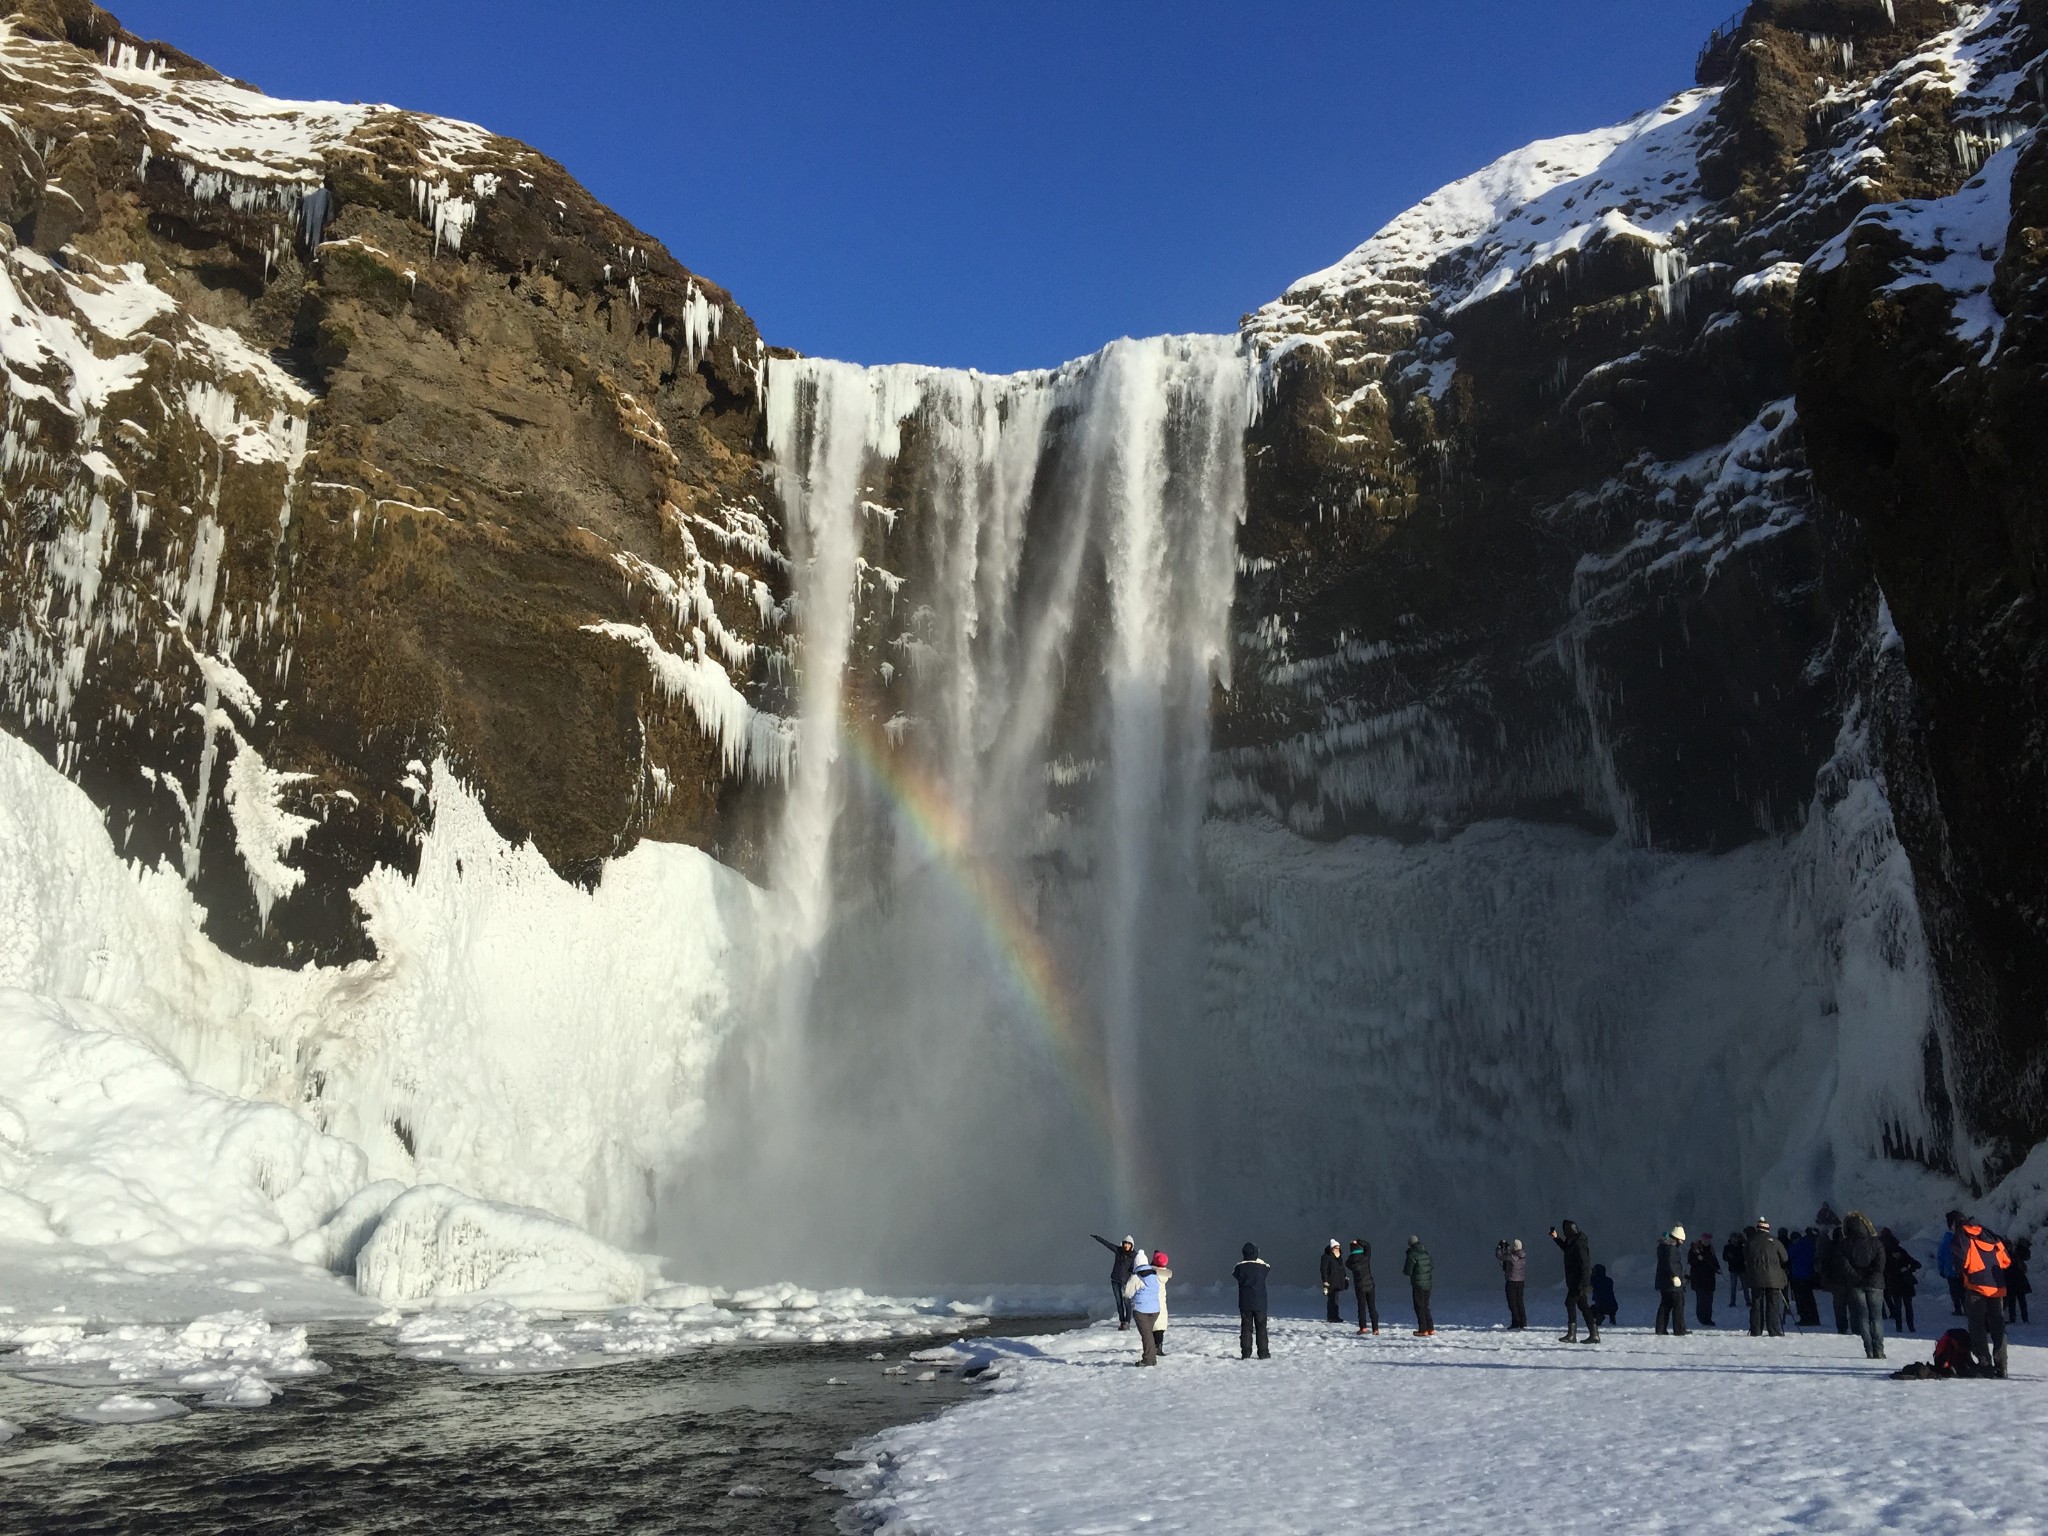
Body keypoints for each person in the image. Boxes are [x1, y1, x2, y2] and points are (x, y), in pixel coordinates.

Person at [1956, 1217, 2011, 1378]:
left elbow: (1961, 1260)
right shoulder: (1991, 1236)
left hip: (1976, 1286)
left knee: (1977, 1325)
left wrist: (1966, 1273)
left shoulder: (1963, 1235)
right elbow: (2006, 1261)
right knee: (1998, 1327)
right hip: (1997, 1287)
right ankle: (2002, 1366)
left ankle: (1984, 1363)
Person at [1838, 1211, 1886, 1360]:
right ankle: (1879, 1350)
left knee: (1863, 1317)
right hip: (1875, 1284)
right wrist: (1871, 1277)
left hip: (1856, 1284)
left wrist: (1857, 1277)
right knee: (1876, 1317)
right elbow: (1880, 1265)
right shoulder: (1876, 1242)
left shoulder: (1844, 1244)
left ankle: (1869, 1350)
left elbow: (1844, 1265)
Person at [1551, 1221, 1600, 1342]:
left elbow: (1585, 1264)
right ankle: (1594, 1335)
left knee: (1570, 1303)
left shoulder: (1579, 1243)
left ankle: (1572, 1335)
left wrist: (1585, 1284)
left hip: (1578, 1282)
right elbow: (1567, 1250)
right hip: (1574, 1281)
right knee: (1583, 1306)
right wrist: (1557, 1238)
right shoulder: (1573, 1241)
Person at [1745, 1217, 1789, 1337]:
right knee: (1773, 1304)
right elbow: (1785, 1258)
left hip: (1756, 1277)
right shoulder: (1775, 1241)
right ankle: (1773, 1330)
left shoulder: (1750, 1241)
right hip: (1774, 1278)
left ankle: (1756, 1329)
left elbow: (1746, 1258)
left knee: (1756, 1303)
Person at [1123, 1250, 1166, 1367]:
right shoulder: (1154, 1275)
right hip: (1155, 1310)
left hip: (1141, 1311)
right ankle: (1151, 1358)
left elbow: (1128, 1293)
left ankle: (1148, 1359)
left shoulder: (1136, 1277)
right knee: (1148, 1334)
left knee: (1146, 1335)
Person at [1816, 1208, 1851, 1335]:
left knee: (1839, 1306)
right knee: (1853, 1305)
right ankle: (1856, 1326)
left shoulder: (1830, 1248)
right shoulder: (1850, 1246)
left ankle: (1842, 1328)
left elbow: (1825, 1262)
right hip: (1851, 1279)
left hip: (1837, 1281)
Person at [1092, 1234, 1138, 1330]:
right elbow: (1107, 1244)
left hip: (1126, 1282)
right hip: (1115, 1280)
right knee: (1119, 1302)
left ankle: (1127, 1322)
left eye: (1129, 1244)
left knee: (1127, 1302)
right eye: (1125, 1243)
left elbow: (1139, 1266)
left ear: (1132, 1245)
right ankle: (1122, 1322)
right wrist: (1098, 1238)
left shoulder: (1134, 1255)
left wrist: (1132, 1272)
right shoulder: (1119, 1251)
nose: (1127, 1246)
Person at [1881, 1227, 1922, 1334]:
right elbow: (1916, 1264)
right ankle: (1911, 1327)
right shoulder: (1901, 1250)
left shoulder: (1883, 1253)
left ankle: (1899, 1328)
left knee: (1897, 1306)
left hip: (1893, 1283)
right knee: (1908, 1306)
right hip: (1905, 1282)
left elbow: (1883, 1268)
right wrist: (1907, 1268)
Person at [1234, 1242, 1271, 1360]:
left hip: (1245, 1303)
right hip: (1260, 1303)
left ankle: (1246, 1353)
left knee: (1246, 1328)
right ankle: (1263, 1353)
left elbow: (1234, 1273)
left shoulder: (1240, 1268)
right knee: (1261, 1328)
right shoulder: (1261, 1268)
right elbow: (1268, 1267)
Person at [1654, 1225, 1689, 1336]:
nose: (1682, 1242)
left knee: (1665, 1304)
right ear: (1676, 1238)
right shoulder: (1671, 1248)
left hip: (1663, 1281)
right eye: (1681, 1240)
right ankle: (1679, 1329)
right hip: (1672, 1282)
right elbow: (1671, 1263)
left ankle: (1660, 1329)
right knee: (1678, 1304)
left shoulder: (1663, 1246)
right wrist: (1675, 1276)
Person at [1402, 1235, 1435, 1335]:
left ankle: (1423, 1329)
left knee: (1419, 1306)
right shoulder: (1426, 1253)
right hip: (1428, 1284)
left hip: (1418, 1284)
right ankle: (1431, 1328)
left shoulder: (1412, 1254)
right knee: (1426, 1306)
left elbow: (1408, 1271)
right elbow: (1431, 1266)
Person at [1346, 1238, 1380, 1335]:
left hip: (1360, 1287)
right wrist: (1358, 1241)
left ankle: (1363, 1327)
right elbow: (1368, 1246)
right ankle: (1375, 1328)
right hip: (1370, 1285)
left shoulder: (1351, 1260)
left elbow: (1346, 1264)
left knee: (1361, 1307)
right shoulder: (1365, 1257)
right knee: (1372, 1307)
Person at [1787, 1227, 1819, 1326]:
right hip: (1808, 1275)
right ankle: (1814, 1318)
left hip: (1798, 1275)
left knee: (1801, 1299)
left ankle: (1804, 1318)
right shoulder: (1809, 1245)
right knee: (1810, 1298)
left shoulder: (1794, 1247)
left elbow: (1788, 1257)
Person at [1936, 1209, 1965, 1316]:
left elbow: (1941, 1256)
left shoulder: (1946, 1240)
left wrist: (1942, 1269)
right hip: (1962, 1269)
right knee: (1963, 1290)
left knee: (1954, 1291)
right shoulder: (1963, 1238)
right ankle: (1965, 1307)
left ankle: (1958, 1308)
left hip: (1950, 1270)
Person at [1688, 1233, 1720, 1327]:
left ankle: (1708, 1319)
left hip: (1709, 1279)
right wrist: (1698, 1259)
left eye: (1709, 1240)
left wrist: (1717, 1269)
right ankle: (1701, 1318)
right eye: (1705, 1240)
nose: (1707, 1242)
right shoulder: (1694, 1250)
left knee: (1709, 1301)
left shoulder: (1711, 1250)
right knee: (1701, 1300)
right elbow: (1691, 1262)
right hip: (1699, 1280)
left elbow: (1714, 1261)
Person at [1496, 1238, 1528, 1329]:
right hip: (1521, 1282)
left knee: (1512, 1303)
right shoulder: (1522, 1256)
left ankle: (1516, 1322)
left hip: (1512, 1282)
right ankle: (1523, 1322)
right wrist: (1508, 1248)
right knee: (1520, 1302)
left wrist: (1499, 1248)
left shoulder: (1512, 1257)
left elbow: (1500, 1256)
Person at [1319, 1238, 1350, 1323]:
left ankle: (1335, 1316)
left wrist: (1345, 1278)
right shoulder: (1326, 1257)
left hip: (1338, 1281)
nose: (1337, 1249)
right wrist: (1325, 1280)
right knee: (1331, 1299)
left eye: (1338, 1247)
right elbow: (1323, 1269)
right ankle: (1331, 1317)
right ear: (1332, 1248)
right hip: (1330, 1281)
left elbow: (1342, 1269)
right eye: (1336, 1247)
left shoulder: (1339, 1257)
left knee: (1336, 1299)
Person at [2004, 1238, 2032, 1325]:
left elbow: (2026, 1256)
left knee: (2016, 1300)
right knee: (2016, 1300)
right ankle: (2022, 1319)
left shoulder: (2013, 1251)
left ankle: (2020, 1318)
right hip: (2016, 1278)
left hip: (2013, 1278)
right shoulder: (2013, 1252)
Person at [1723, 1229, 1749, 1310]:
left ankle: (1747, 1300)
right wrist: (1728, 1257)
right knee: (1733, 1286)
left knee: (1745, 1286)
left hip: (1741, 1268)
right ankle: (1733, 1301)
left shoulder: (1742, 1246)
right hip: (1733, 1268)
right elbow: (1724, 1258)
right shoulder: (1727, 1247)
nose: (1735, 1239)